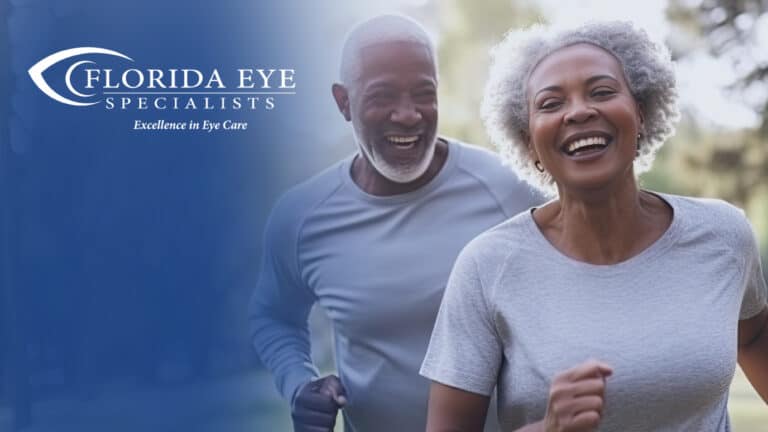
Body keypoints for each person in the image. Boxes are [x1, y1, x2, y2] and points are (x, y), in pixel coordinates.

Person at [420, 20, 768, 432]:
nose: (580, 111)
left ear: (640, 113)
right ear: (529, 142)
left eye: (602, 92)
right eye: (550, 104)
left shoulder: (723, 235)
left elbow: (752, 336)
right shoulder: (487, 265)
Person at [248, 14, 543, 432]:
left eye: (424, 93)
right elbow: (273, 317)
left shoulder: (509, 188)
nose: (408, 115)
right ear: (343, 102)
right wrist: (299, 383)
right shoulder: (301, 216)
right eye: (382, 95)